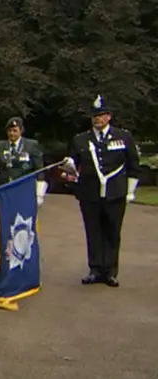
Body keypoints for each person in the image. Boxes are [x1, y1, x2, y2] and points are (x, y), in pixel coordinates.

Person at [62, 94, 140, 287]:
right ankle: (95, 269)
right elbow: (74, 163)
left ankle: (111, 271)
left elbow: (133, 166)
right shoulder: (80, 140)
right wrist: (68, 168)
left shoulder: (123, 137)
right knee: (93, 231)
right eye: (95, 116)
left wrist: (130, 191)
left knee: (112, 231)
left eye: (101, 115)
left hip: (116, 192)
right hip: (90, 193)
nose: (97, 119)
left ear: (109, 117)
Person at [0, 117, 48, 205]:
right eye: (9, 131)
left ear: (21, 131)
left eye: (14, 131)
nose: (12, 133)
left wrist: (39, 192)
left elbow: (39, 169)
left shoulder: (31, 145)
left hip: (24, 188)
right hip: (4, 189)